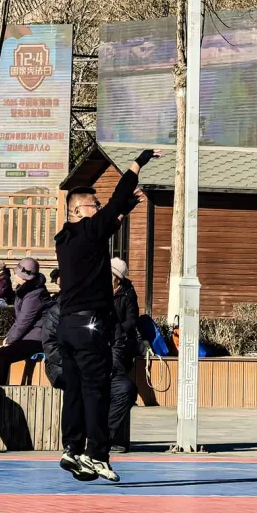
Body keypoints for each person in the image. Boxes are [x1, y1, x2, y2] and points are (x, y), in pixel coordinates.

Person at [54, 148, 158, 483]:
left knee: (74, 389)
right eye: (93, 206)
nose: (98, 209)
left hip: (67, 325)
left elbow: (110, 220)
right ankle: (97, 454)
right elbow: (113, 204)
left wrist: (127, 207)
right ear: (78, 210)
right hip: (90, 325)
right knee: (97, 389)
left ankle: (72, 448)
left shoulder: (65, 238)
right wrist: (138, 163)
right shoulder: (87, 230)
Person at [0, 258, 49, 384]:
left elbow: (24, 321)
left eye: (16, 273)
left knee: (2, 355)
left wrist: (10, 339)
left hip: (37, 339)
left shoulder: (34, 294)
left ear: (24, 277)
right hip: (27, 337)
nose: (14, 275)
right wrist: (10, 337)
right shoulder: (25, 290)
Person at [108, 258, 139, 454]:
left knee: (119, 388)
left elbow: (132, 321)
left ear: (117, 278)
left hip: (122, 345)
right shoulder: (99, 292)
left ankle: (115, 438)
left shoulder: (128, 294)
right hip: (103, 344)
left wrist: (116, 332)